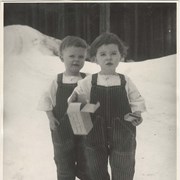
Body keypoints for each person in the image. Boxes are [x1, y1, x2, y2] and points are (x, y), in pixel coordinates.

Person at [68, 32, 146, 180]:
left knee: (124, 165)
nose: (108, 57)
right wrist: (80, 106)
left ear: (120, 57)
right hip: (95, 131)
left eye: (113, 53)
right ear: (95, 58)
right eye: (103, 54)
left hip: (122, 130)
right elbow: (74, 100)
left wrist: (137, 113)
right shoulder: (89, 81)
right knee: (95, 166)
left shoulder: (125, 81)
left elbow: (136, 99)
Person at [37, 35, 88, 180]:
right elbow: (46, 99)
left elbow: (95, 99)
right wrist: (51, 118)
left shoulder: (88, 79)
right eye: (71, 56)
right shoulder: (56, 81)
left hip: (84, 126)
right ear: (61, 57)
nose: (76, 59)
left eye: (81, 56)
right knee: (64, 159)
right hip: (62, 127)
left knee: (86, 157)